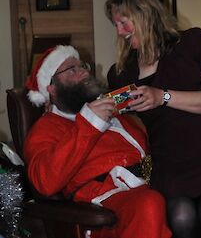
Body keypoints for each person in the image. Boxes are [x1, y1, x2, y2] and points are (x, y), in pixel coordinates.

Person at [105, 0, 201, 238]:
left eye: (123, 22)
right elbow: (121, 120)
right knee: (181, 217)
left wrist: (161, 96)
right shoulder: (121, 73)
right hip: (171, 163)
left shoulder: (195, 41)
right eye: (115, 25)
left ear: (144, 13)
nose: (119, 32)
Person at [23, 45, 172, 238]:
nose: (84, 71)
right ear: (51, 88)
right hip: (106, 203)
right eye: (72, 69)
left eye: (82, 66)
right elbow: (43, 181)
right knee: (150, 204)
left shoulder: (112, 109)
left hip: (152, 183)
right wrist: (90, 123)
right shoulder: (47, 128)